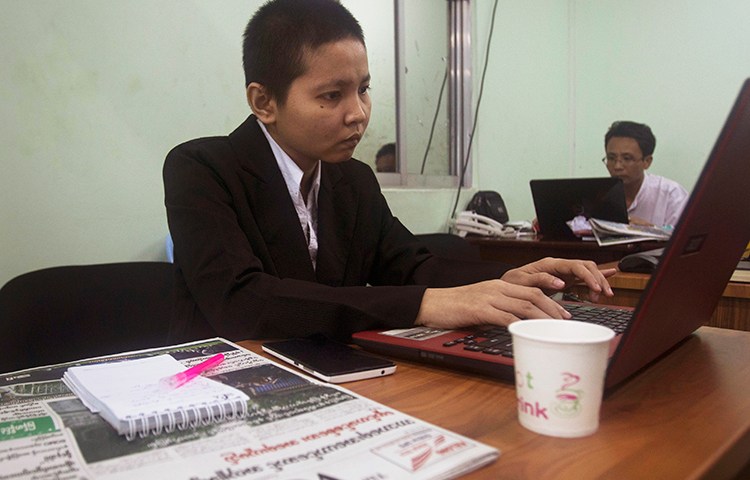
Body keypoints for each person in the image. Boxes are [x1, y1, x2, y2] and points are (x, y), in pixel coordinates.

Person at [163, 0, 614, 344]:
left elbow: (410, 264)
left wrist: (505, 280)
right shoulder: (202, 168)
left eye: (363, 89)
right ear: (264, 102)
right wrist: (424, 305)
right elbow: (242, 303)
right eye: (331, 95)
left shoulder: (352, 179)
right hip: (228, 385)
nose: (358, 114)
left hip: (334, 371)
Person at [603, 121, 688, 227]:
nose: (617, 166)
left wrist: (650, 230)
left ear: (647, 162)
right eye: (611, 158)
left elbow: (682, 238)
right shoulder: (598, 195)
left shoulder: (671, 194)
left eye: (627, 158)